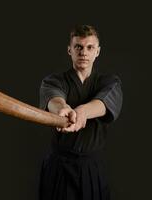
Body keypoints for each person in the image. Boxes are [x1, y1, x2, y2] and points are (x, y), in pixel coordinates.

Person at [38, 25, 123, 200]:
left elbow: (102, 103)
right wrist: (62, 109)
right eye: (78, 47)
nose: (84, 52)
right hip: (59, 167)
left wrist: (82, 111)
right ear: (70, 50)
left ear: (97, 52)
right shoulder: (53, 80)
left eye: (90, 47)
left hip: (92, 167)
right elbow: (54, 99)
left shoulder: (110, 82)